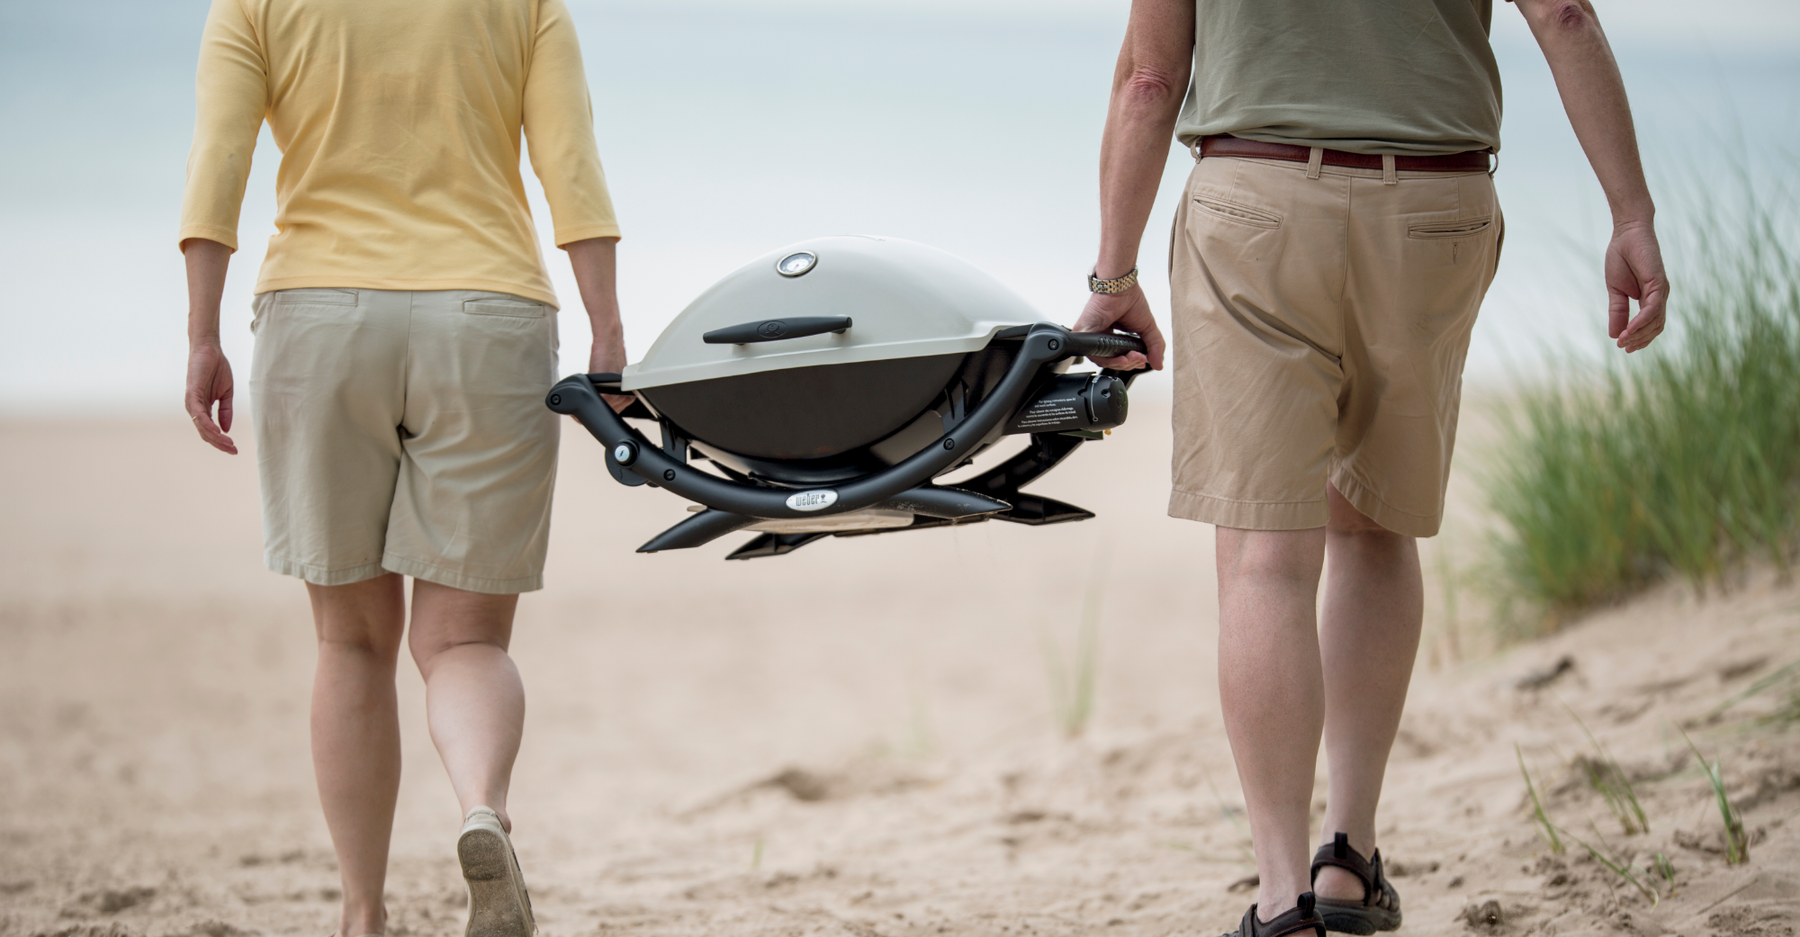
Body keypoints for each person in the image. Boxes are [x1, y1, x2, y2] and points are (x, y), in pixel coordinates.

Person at [1072, 1, 1668, 935]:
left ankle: (1281, 897)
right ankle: (1348, 856)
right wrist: (1630, 214)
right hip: (1434, 209)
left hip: (1255, 207)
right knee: (1376, 526)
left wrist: (1114, 276)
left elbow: (1149, 80)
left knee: (1267, 557)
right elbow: (1563, 15)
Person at [178, 0, 628, 934]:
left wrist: (201, 334)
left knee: (351, 641)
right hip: (488, 316)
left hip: (320, 318)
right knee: (466, 642)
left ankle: (362, 912)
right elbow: (569, 163)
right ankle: (480, 808)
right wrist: (607, 327)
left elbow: (217, 163)